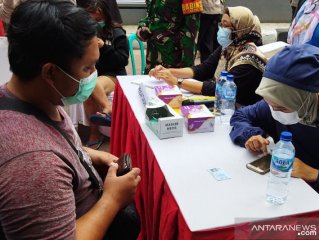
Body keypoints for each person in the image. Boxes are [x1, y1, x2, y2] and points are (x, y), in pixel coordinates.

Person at [0, 0, 140, 239]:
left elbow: (53, 139)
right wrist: (113, 199)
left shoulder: (35, 98)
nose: (93, 77)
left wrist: (86, 155)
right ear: (50, 72)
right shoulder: (34, 165)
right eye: (87, 69)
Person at [229, 44, 319, 239]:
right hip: (289, 196)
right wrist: (252, 135)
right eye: (270, 104)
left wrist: (315, 174)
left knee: (262, 232)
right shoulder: (279, 100)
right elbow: (241, 116)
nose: (274, 111)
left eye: (281, 108)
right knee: (238, 223)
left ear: (306, 100)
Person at [149, 6, 267, 107]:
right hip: (224, 104)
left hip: (239, 111)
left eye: (226, 25)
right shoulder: (230, 46)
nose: (221, 28)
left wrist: (177, 81)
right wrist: (168, 72)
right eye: (221, 23)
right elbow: (203, 69)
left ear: (240, 28)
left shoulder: (249, 60)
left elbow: (217, 89)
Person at [78, 0, 129, 149]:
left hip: (114, 75)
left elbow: (122, 60)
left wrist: (104, 47)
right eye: (91, 18)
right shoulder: (87, 32)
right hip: (93, 72)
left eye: (98, 19)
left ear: (106, 15)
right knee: (88, 92)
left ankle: (107, 109)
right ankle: (95, 132)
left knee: (94, 84)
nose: (95, 22)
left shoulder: (117, 32)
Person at [136, 0, 200, 73]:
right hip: (153, 54)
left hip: (173, 58)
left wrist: (187, 68)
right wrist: (143, 25)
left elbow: (191, 30)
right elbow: (152, 15)